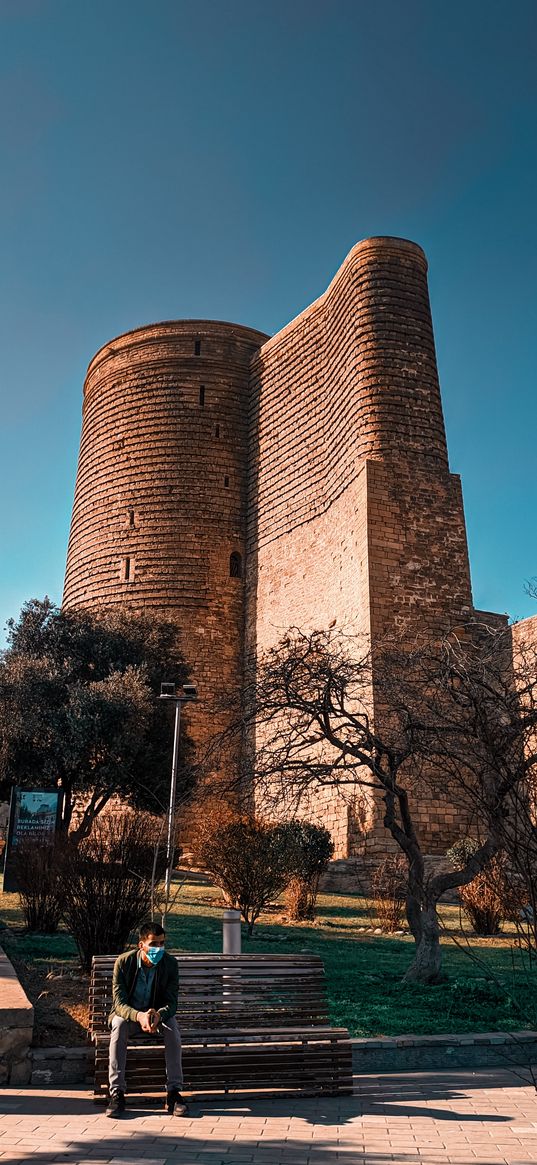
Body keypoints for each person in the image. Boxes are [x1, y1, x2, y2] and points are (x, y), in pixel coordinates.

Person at [106, 921, 188, 1117]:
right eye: (153, 944)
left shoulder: (170, 964)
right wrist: (139, 1016)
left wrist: (158, 1015)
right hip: (131, 1017)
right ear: (141, 945)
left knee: (172, 1029)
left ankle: (174, 1093)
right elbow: (119, 1004)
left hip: (157, 1017)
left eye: (162, 943)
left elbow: (172, 1002)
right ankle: (117, 1093)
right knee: (118, 1025)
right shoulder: (124, 963)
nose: (158, 948)